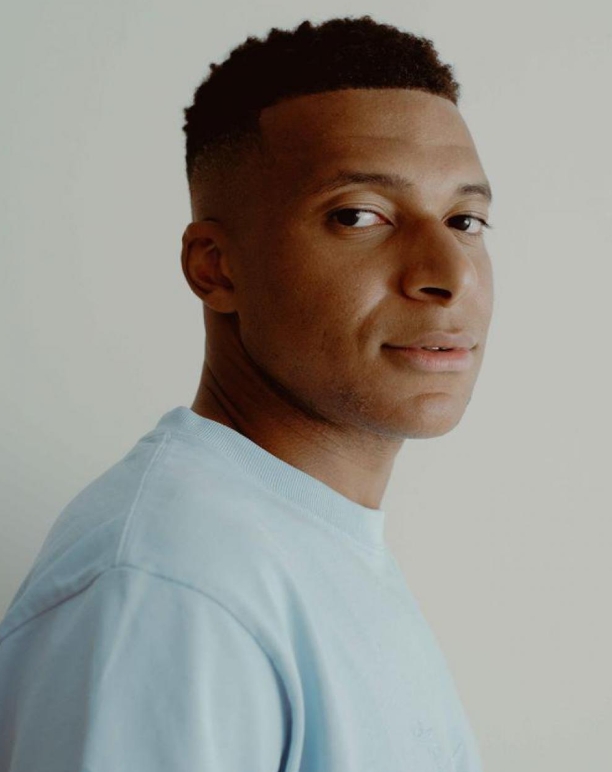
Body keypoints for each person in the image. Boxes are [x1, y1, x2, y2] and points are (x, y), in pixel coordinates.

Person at [0, 15, 494, 772]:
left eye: (466, 219)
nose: (449, 272)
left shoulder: (294, 546)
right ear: (216, 267)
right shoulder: (173, 591)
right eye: (359, 215)